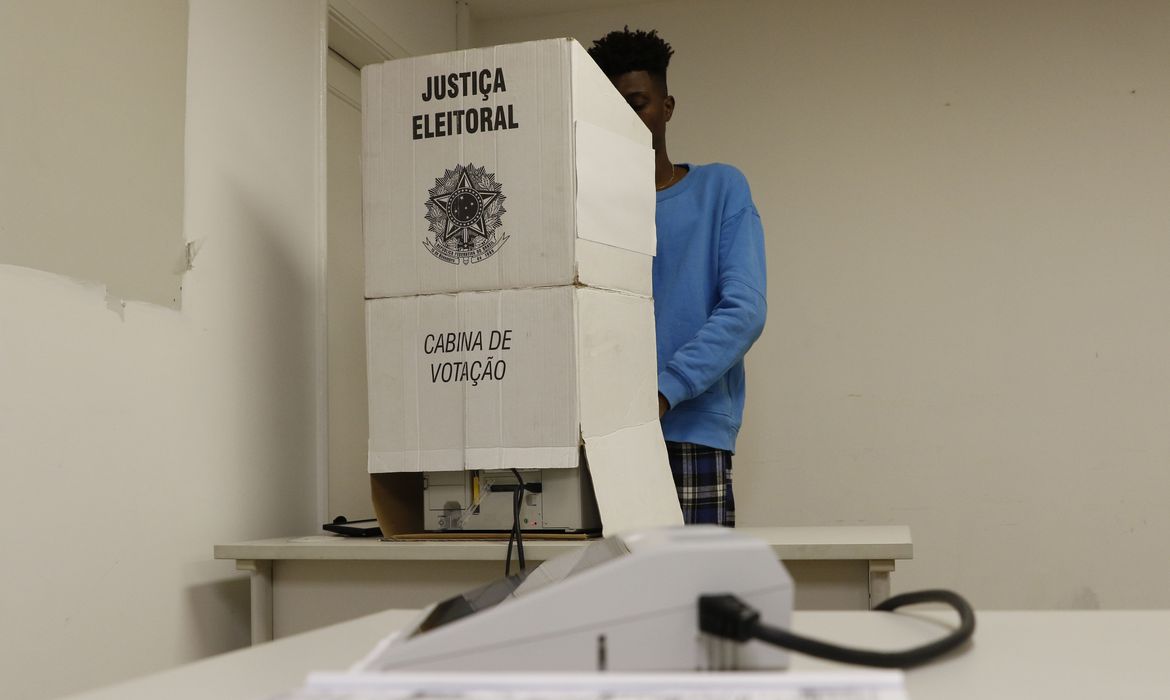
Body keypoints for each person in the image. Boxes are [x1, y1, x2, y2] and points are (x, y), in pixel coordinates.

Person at [588, 28, 767, 527]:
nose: (627, 118)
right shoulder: (586, 211)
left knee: (693, 597)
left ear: (667, 107)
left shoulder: (720, 188)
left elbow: (745, 310)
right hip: (603, 443)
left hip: (690, 434)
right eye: (613, 107)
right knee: (608, 600)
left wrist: (664, 391)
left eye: (638, 103)